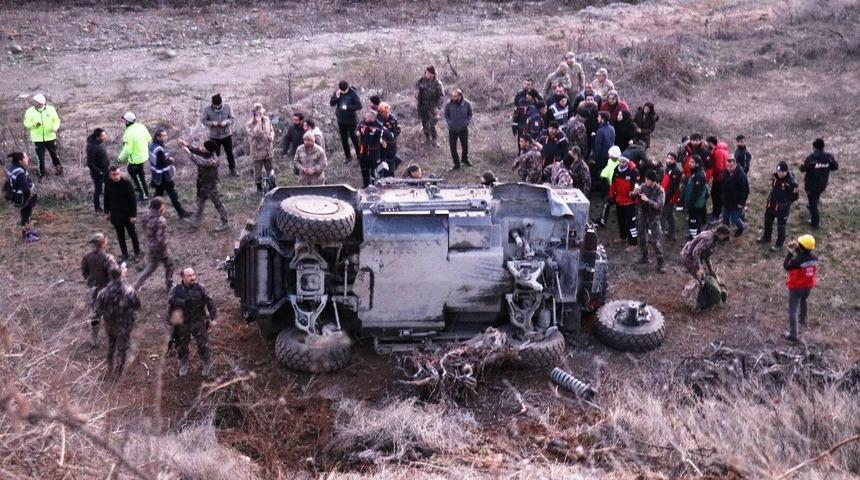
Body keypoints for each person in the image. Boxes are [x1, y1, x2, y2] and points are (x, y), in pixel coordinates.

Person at [168, 267, 217, 377]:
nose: (193, 277)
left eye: (194, 274)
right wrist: (171, 323)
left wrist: (213, 318)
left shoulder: (200, 288)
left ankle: (206, 363)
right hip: (183, 324)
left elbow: (210, 302)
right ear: (183, 277)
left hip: (198, 321)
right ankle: (183, 364)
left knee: (202, 344)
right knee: (182, 346)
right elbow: (170, 307)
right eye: (189, 276)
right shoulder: (175, 290)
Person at [94, 264, 140, 378]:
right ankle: (119, 371)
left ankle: (110, 368)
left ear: (109, 275)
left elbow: (97, 310)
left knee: (111, 345)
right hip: (125, 324)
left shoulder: (103, 292)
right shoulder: (129, 290)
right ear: (121, 275)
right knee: (122, 348)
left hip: (110, 324)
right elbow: (137, 306)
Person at [178, 139, 230, 232]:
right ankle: (196, 222)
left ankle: (225, 222)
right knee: (200, 202)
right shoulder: (206, 153)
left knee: (218, 204)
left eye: (204, 147)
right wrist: (186, 144)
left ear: (208, 150)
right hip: (204, 185)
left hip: (212, 187)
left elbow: (199, 161)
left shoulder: (213, 160)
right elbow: (197, 150)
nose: (202, 148)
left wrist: (188, 152)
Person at [81, 232, 117, 347]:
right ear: (102, 243)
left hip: (94, 289)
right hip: (107, 289)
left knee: (95, 315)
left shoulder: (87, 256)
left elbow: (84, 272)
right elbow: (114, 275)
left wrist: (91, 280)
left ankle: (93, 338)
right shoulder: (108, 258)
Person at [133, 197, 175, 293]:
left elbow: (143, 227)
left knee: (151, 267)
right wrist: (165, 246)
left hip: (149, 245)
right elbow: (160, 239)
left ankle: (137, 285)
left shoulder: (146, 215)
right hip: (160, 249)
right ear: (160, 207)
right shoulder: (160, 220)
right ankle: (170, 285)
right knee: (170, 265)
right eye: (163, 206)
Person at [148, 129, 191, 218]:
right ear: (158, 137)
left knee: (158, 194)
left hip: (157, 176)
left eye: (166, 135)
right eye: (163, 135)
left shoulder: (152, 145)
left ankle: (151, 211)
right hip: (164, 176)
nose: (166, 137)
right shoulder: (159, 149)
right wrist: (170, 160)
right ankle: (181, 213)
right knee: (172, 195)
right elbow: (161, 163)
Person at [757, 161, 799, 251]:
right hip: (771, 204)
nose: (780, 173)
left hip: (782, 208)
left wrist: (786, 202)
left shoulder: (791, 183)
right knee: (767, 222)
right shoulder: (774, 176)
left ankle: (779, 245)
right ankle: (766, 237)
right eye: (779, 171)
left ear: (786, 171)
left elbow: (795, 196)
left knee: (781, 227)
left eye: (783, 172)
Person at [783, 234, 818, 342]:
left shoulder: (796, 261)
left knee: (793, 310)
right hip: (807, 286)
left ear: (802, 247)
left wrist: (790, 252)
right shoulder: (815, 258)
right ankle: (803, 319)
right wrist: (797, 249)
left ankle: (793, 334)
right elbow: (804, 257)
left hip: (796, 287)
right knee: (804, 301)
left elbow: (786, 266)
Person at [103, 165, 141, 263]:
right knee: (120, 235)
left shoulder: (127, 183)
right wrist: (106, 212)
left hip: (127, 214)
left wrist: (133, 215)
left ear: (120, 174)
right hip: (115, 214)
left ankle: (137, 253)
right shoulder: (108, 183)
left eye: (117, 174)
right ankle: (124, 254)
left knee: (132, 234)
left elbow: (133, 201)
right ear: (110, 175)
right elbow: (106, 198)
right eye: (113, 175)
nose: (116, 176)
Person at [800, 138, 839, 229]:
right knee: (815, 199)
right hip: (822, 184)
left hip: (811, 185)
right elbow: (835, 166)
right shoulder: (828, 157)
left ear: (814, 147)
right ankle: (812, 210)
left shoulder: (811, 157)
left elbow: (803, 169)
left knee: (813, 203)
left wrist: (801, 166)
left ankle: (815, 223)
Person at [22, 93, 62, 177]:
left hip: (50, 137)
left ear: (40, 103)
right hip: (38, 139)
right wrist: (34, 125)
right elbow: (26, 123)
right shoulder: (29, 111)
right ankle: (42, 175)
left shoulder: (50, 109)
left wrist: (55, 127)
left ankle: (59, 171)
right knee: (40, 158)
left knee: (55, 155)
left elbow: (56, 120)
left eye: (35, 101)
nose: (33, 103)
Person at [4, 152, 40, 243]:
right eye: (25, 157)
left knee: (26, 214)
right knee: (26, 214)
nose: (28, 158)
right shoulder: (20, 173)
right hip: (21, 197)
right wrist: (29, 198)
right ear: (20, 161)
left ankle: (29, 231)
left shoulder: (12, 166)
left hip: (13, 194)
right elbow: (25, 189)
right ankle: (27, 235)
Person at [635, 170, 666, 272]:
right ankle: (644, 256)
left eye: (648, 180)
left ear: (653, 181)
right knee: (641, 236)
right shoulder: (643, 186)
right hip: (643, 215)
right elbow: (632, 194)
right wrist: (634, 192)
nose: (646, 181)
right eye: (645, 179)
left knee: (655, 240)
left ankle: (660, 263)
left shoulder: (660, 191)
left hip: (653, 218)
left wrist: (647, 200)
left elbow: (659, 206)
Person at [117, 112, 152, 202]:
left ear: (127, 122)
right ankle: (140, 188)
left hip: (136, 159)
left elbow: (127, 150)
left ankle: (144, 195)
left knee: (137, 176)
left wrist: (119, 159)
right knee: (137, 173)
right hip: (144, 155)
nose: (123, 121)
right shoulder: (141, 126)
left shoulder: (128, 133)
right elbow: (149, 139)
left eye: (124, 120)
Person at [608, 156, 640, 249]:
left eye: (623, 162)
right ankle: (623, 237)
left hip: (630, 202)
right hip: (619, 201)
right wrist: (611, 195)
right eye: (620, 162)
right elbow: (613, 184)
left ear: (627, 162)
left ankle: (633, 243)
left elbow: (637, 185)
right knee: (620, 221)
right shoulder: (616, 170)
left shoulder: (633, 172)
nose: (621, 164)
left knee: (631, 224)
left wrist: (634, 192)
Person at [201, 94, 237, 176]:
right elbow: (204, 120)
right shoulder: (207, 110)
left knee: (230, 153)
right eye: (216, 106)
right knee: (215, 154)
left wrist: (226, 122)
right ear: (213, 104)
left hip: (227, 134)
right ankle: (214, 171)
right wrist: (212, 123)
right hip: (214, 136)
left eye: (219, 105)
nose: (218, 107)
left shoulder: (227, 107)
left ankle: (233, 170)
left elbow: (232, 118)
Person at [330, 81, 363, 161]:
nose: (343, 92)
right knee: (344, 139)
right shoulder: (338, 92)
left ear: (347, 87)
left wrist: (348, 107)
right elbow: (332, 103)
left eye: (344, 91)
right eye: (342, 91)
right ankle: (348, 157)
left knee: (354, 138)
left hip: (351, 120)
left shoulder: (353, 93)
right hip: (341, 120)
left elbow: (359, 106)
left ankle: (359, 156)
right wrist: (336, 97)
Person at [247, 103, 276, 194]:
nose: (261, 115)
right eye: (258, 113)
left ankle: (272, 184)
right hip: (257, 151)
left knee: (270, 168)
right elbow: (256, 134)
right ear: (254, 114)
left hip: (268, 149)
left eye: (262, 113)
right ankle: (259, 187)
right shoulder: (249, 124)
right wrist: (258, 123)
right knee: (258, 170)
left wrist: (271, 136)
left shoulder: (267, 120)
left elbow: (272, 130)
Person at [415, 66, 445, 147]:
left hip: (432, 108)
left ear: (432, 74)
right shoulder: (422, 80)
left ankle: (434, 140)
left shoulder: (438, 84)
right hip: (422, 106)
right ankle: (427, 139)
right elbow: (417, 85)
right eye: (426, 72)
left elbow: (441, 97)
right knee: (424, 123)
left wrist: (438, 108)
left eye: (428, 73)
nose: (426, 74)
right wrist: (417, 91)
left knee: (432, 124)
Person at [444, 89, 473, 170]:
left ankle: (465, 159)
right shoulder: (448, 104)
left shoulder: (467, 103)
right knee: (453, 148)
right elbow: (446, 115)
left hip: (463, 129)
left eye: (455, 96)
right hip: (452, 129)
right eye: (452, 96)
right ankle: (456, 164)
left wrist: (466, 123)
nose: (452, 98)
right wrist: (450, 123)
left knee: (465, 146)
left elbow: (470, 114)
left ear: (460, 96)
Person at [721, 157, 749, 236]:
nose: (729, 168)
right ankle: (726, 232)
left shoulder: (741, 176)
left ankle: (741, 227)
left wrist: (741, 203)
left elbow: (745, 191)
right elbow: (723, 186)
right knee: (725, 218)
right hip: (726, 201)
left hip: (736, 203)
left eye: (731, 166)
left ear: (735, 164)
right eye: (727, 166)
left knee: (735, 219)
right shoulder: (725, 172)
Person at [682, 155, 708, 239]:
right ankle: (695, 234)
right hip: (695, 202)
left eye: (692, 162)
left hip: (696, 203)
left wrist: (690, 203)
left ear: (697, 164)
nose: (689, 163)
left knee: (693, 220)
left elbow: (697, 192)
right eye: (690, 161)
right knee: (694, 219)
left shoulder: (699, 175)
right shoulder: (695, 172)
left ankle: (694, 238)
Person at [596, 145, 622, 226]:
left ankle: (603, 220)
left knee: (607, 203)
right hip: (616, 188)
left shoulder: (614, 165)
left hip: (615, 189)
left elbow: (605, 174)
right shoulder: (615, 162)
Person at [356, 111, 383, 187]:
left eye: (368, 116)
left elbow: (380, 133)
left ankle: (376, 185)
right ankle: (366, 185)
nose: (366, 118)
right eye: (366, 116)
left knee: (374, 171)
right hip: (363, 151)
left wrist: (371, 130)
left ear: (373, 117)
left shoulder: (378, 125)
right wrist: (359, 131)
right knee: (364, 170)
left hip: (373, 152)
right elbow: (359, 128)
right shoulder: (362, 123)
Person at [86, 128, 110, 213]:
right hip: (98, 173)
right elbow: (90, 163)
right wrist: (99, 172)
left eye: (105, 135)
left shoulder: (100, 143)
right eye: (103, 136)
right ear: (97, 137)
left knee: (109, 188)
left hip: (106, 170)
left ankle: (109, 205)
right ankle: (97, 208)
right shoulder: (92, 147)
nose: (105, 137)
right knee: (98, 190)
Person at [661, 152, 683, 241]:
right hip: (665, 194)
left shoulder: (676, 171)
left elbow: (673, 188)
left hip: (670, 197)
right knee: (669, 214)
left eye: (671, 159)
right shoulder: (667, 168)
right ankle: (672, 233)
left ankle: (660, 233)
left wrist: (666, 198)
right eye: (668, 158)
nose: (669, 160)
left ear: (675, 160)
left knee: (664, 214)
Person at [706, 136, 730, 220]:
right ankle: (717, 212)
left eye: (708, 143)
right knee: (717, 195)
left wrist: (711, 172)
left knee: (715, 195)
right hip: (723, 176)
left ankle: (716, 214)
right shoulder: (722, 150)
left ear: (712, 143)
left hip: (720, 177)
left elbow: (719, 167)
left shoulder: (717, 152)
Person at [592, 112, 616, 192]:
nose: (597, 118)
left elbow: (598, 146)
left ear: (602, 119)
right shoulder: (612, 128)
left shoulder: (600, 131)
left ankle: (597, 190)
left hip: (601, 157)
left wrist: (594, 158)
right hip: (609, 156)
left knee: (597, 173)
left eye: (598, 117)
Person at [378, 102, 401, 173]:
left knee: (391, 160)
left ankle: (391, 172)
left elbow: (398, 130)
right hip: (381, 144)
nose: (387, 114)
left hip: (391, 143)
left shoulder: (393, 119)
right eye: (385, 112)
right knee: (381, 160)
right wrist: (381, 140)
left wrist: (392, 135)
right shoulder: (377, 120)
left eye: (388, 112)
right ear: (381, 112)